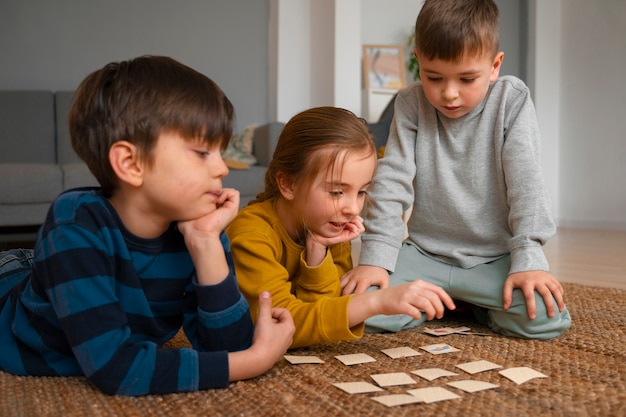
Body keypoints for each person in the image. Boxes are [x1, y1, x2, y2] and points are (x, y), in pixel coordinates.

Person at [0, 56, 294, 396]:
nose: (222, 168)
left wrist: (206, 242)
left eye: (220, 152)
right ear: (130, 163)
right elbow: (116, 369)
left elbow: (227, 347)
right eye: (202, 152)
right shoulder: (75, 222)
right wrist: (255, 361)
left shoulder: (199, 225)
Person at [341, 0, 571, 340]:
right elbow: (391, 182)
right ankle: (454, 300)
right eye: (434, 78)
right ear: (418, 62)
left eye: (467, 79)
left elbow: (527, 184)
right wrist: (374, 257)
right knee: (363, 310)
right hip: (424, 255)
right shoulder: (410, 104)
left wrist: (528, 258)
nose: (449, 94)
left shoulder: (512, 99)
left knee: (544, 318)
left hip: (493, 258)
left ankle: (466, 303)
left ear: (494, 66)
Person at [225, 107, 455, 348]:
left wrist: (317, 254)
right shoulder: (252, 234)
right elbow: (279, 326)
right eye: (336, 192)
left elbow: (324, 316)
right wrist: (376, 302)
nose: (353, 209)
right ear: (288, 184)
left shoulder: (328, 224)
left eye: (361, 191)